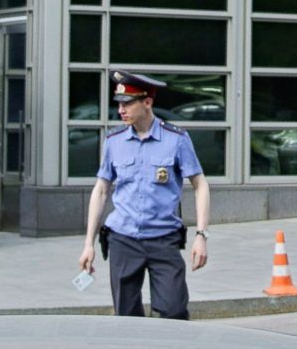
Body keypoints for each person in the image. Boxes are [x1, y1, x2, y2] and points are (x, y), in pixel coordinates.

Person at [78, 70, 210, 320]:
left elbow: (200, 184)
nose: (121, 110)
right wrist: (88, 244)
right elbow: (102, 189)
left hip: (164, 238)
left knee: (174, 311)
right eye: (119, 104)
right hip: (123, 240)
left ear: (147, 102)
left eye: (128, 103)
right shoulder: (114, 141)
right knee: (127, 316)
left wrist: (201, 235)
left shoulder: (177, 139)